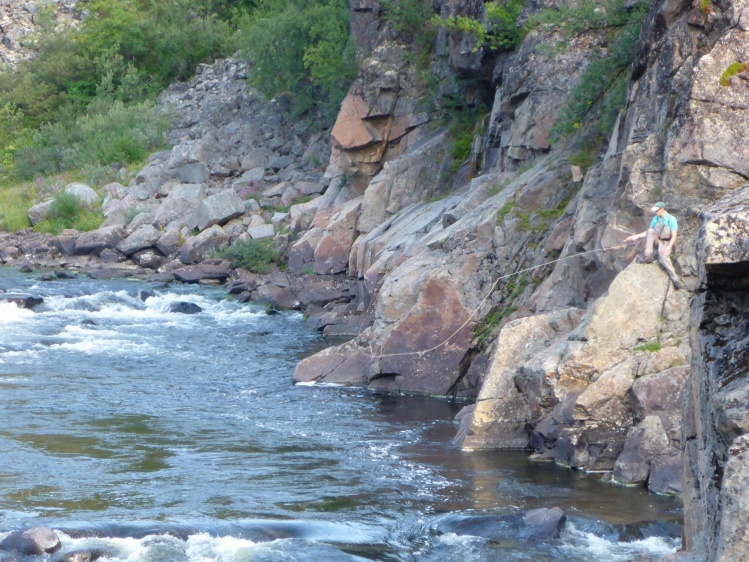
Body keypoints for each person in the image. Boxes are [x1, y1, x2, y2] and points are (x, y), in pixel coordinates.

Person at [625, 202, 683, 290]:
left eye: (657, 211)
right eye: (655, 211)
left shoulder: (671, 219)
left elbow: (674, 235)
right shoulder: (656, 218)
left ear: (662, 209)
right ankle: (648, 255)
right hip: (657, 241)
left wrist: (668, 247)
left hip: (667, 242)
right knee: (650, 231)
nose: (655, 212)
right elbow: (648, 232)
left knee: (663, 257)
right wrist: (635, 236)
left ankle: (675, 280)